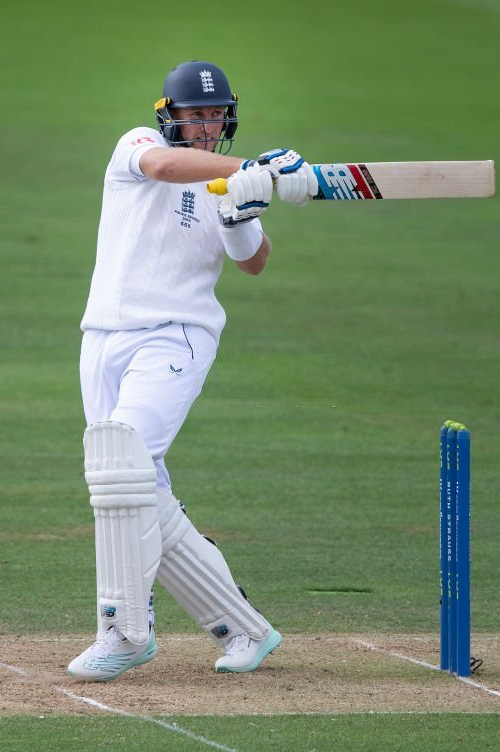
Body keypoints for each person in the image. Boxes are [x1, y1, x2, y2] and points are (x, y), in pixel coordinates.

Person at [66, 61, 317, 682]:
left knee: (123, 463)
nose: (205, 126)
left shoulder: (232, 183)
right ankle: (244, 628)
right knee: (131, 481)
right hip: (103, 335)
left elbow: (255, 263)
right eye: (194, 115)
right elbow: (165, 169)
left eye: (214, 115)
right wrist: (253, 170)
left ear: (227, 118)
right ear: (168, 116)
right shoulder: (138, 146)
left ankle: (124, 631)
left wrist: (241, 209)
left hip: (175, 335)